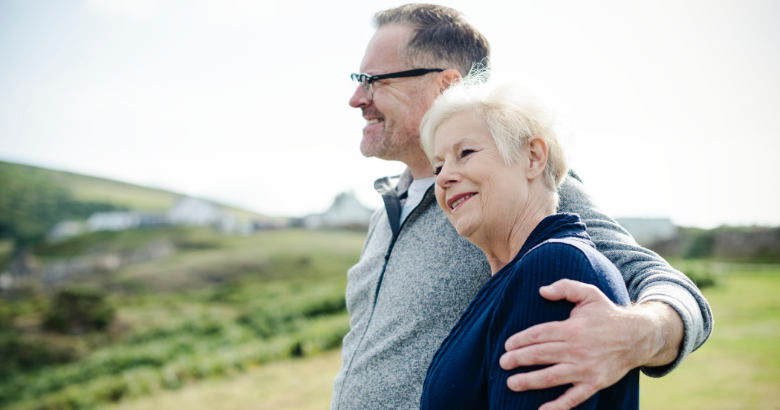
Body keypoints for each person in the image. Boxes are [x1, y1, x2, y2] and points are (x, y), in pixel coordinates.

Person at [331, 4, 713, 410]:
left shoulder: (518, 187)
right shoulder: (387, 208)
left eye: (373, 81)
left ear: (446, 85)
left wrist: (638, 334)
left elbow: (658, 281)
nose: (357, 98)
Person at [419, 76, 638, 409]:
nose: (444, 177)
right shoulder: (514, 277)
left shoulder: (553, 268)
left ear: (533, 157)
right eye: (438, 166)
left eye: (465, 153)